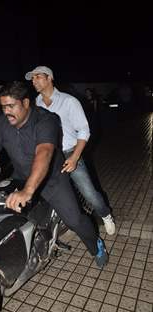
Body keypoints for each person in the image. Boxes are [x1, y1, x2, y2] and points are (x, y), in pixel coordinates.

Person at [0, 81, 108, 268]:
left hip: (52, 180)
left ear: (26, 103)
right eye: (3, 106)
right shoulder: (3, 124)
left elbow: (44, 153)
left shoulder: (46, 120)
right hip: (20, 177)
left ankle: (96, 245)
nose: (6, 111)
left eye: (11, 106)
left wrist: (28, 190)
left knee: (74, 219)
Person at [25, 66, 115, 235]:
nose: (34, 81)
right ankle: (68, 221)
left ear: (50, 78)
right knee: (53, 194)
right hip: (50, 156)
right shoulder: (35, 104)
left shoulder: (69, 101)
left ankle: (106, 214)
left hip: (69, 153)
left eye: (38, 77)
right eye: (32, 78)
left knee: (89, 193)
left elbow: (83, 130)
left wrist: (74, 157)